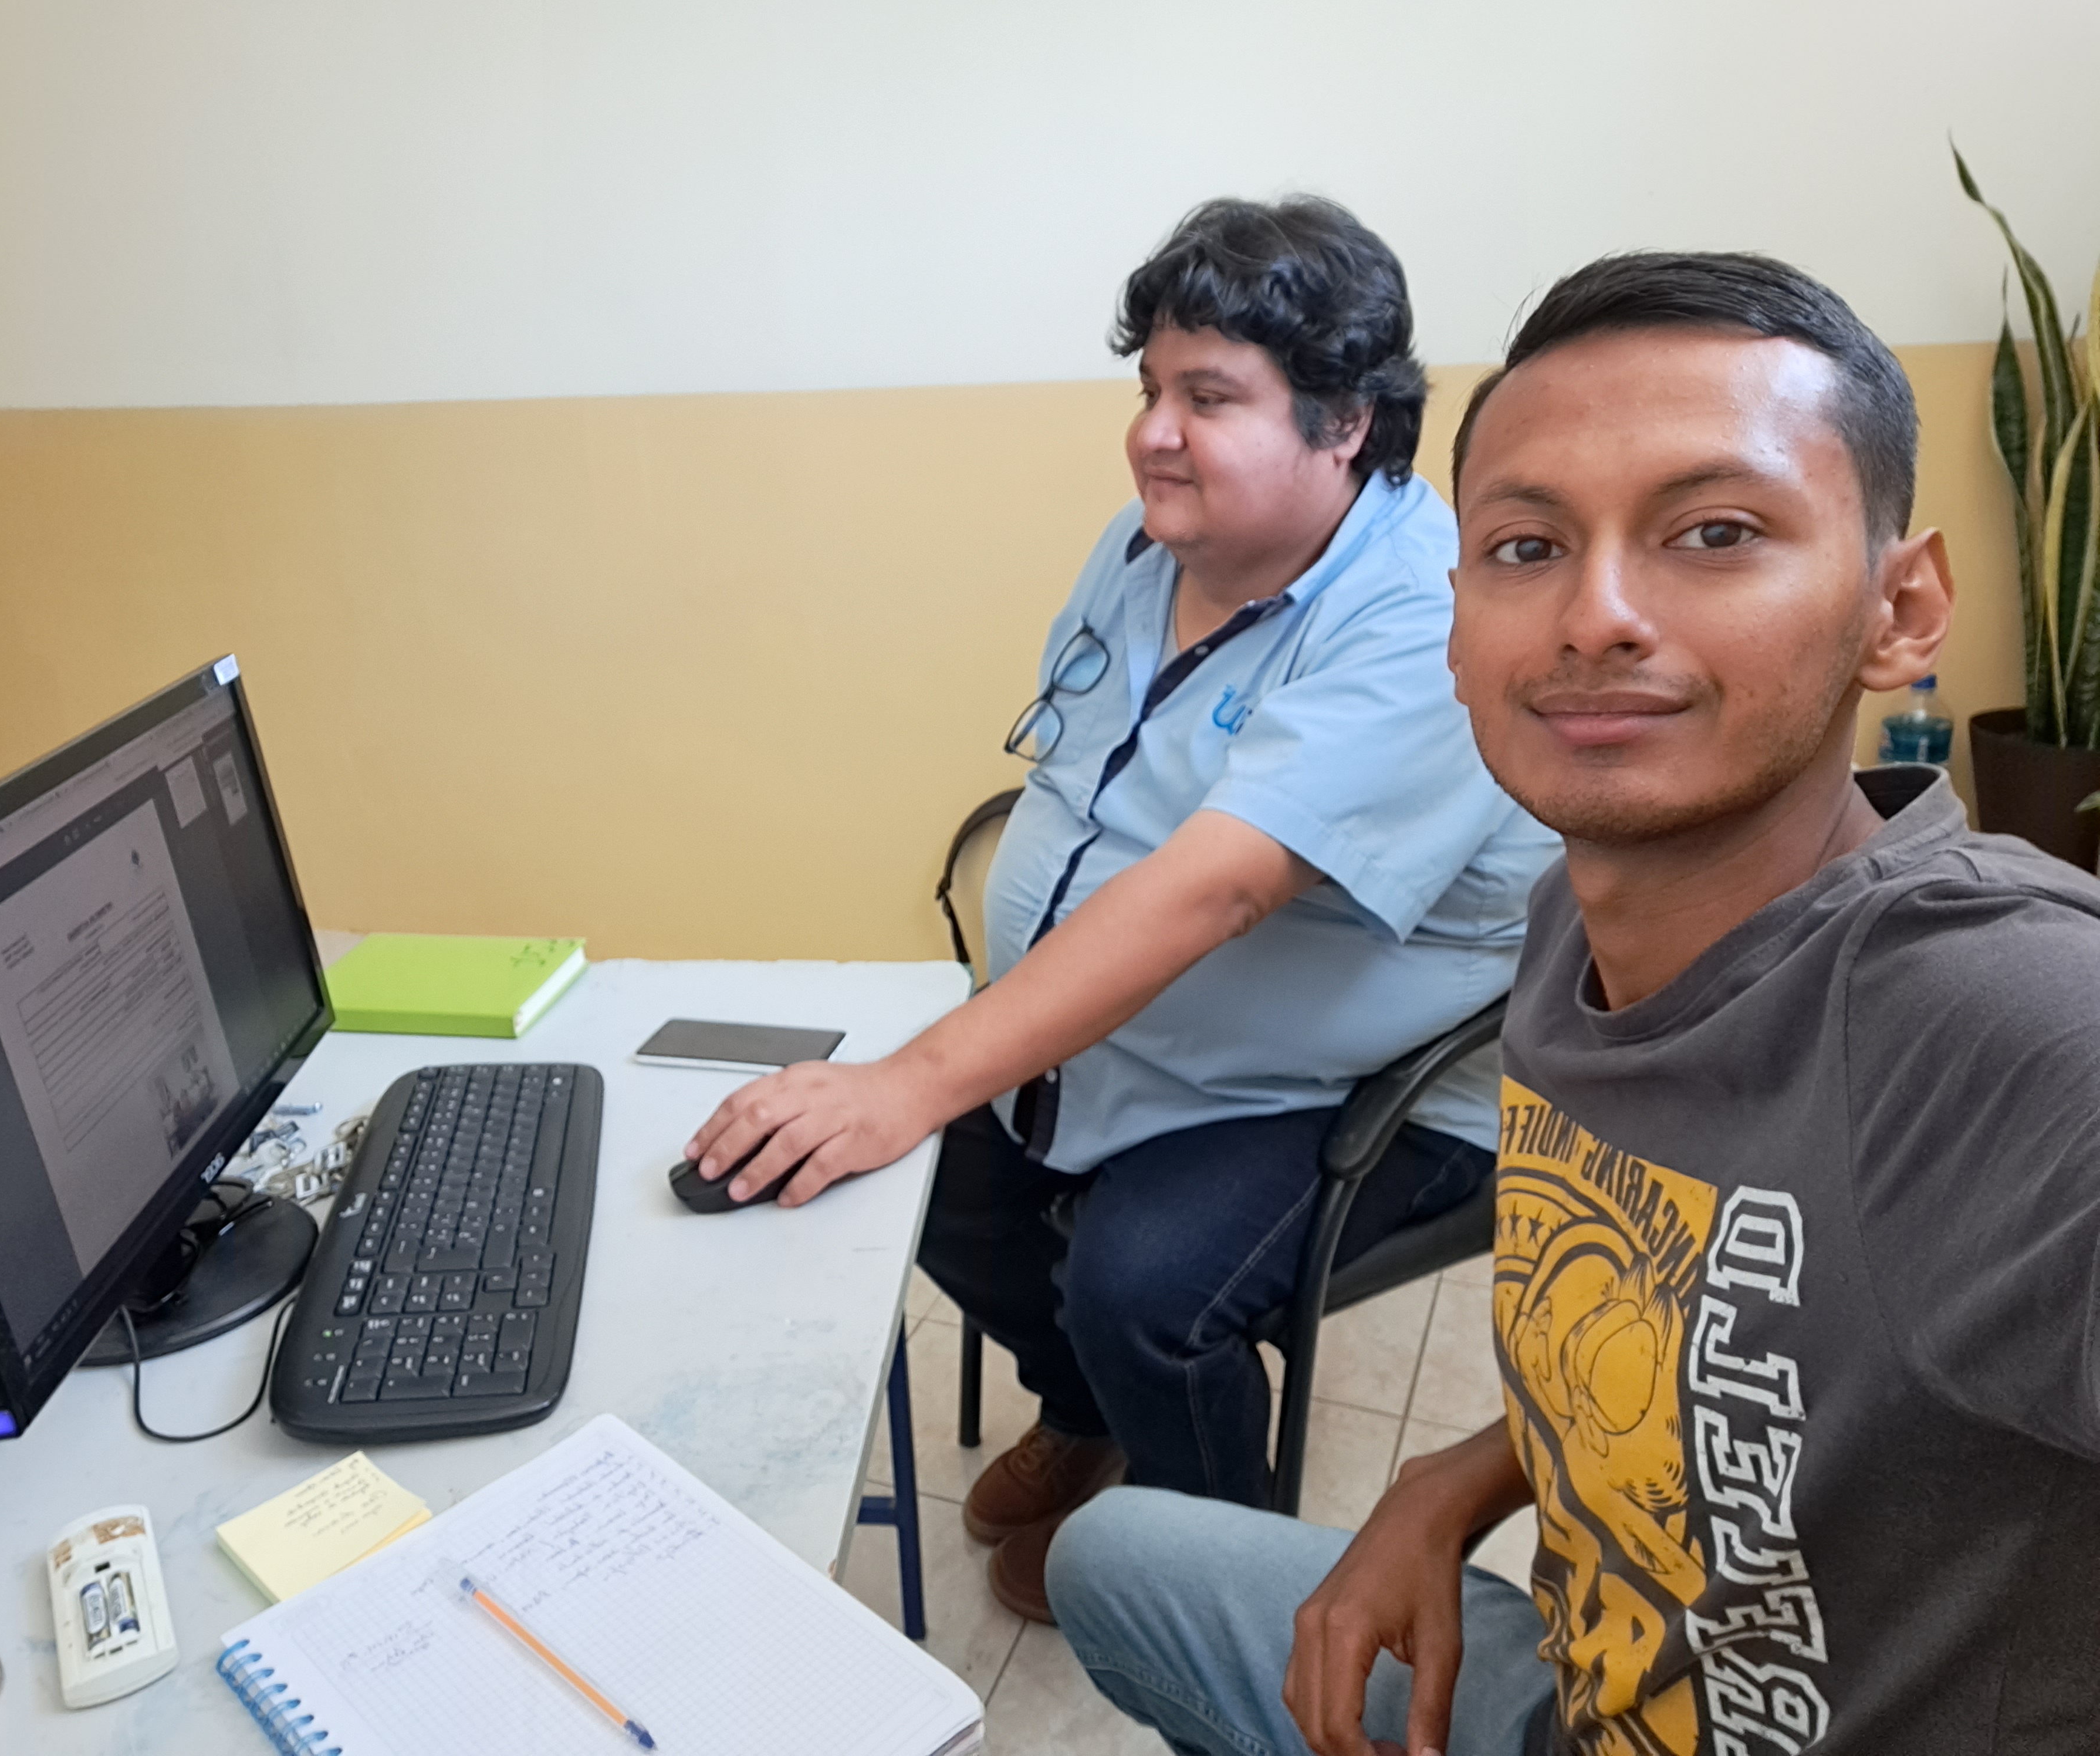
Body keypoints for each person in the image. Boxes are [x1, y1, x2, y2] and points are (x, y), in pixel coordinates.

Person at [1048, 247, 2100, 1756]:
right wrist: (1462, 1478)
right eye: (1526, 547)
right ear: (1454, 623)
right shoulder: (1569, 925)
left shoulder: (2004, 1027)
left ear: (1899, 605)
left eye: (1713, 532)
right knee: (1112, 1557)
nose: (1594, 615)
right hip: (1583, 1680)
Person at [682, 195, 1558, 1620]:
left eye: (1207, 397)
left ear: (1344, 423)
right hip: (1146, 1039)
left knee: (1139, 1285)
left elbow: (1218, 888)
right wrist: (925, 1086)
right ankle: (1083, 1411)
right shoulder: (1147, 550)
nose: (1153, 432)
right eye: (1148, 389)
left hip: (1351, 1087)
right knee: (919, 1179)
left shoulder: (1420, 618)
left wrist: (915, 1077)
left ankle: (1199, 1562)